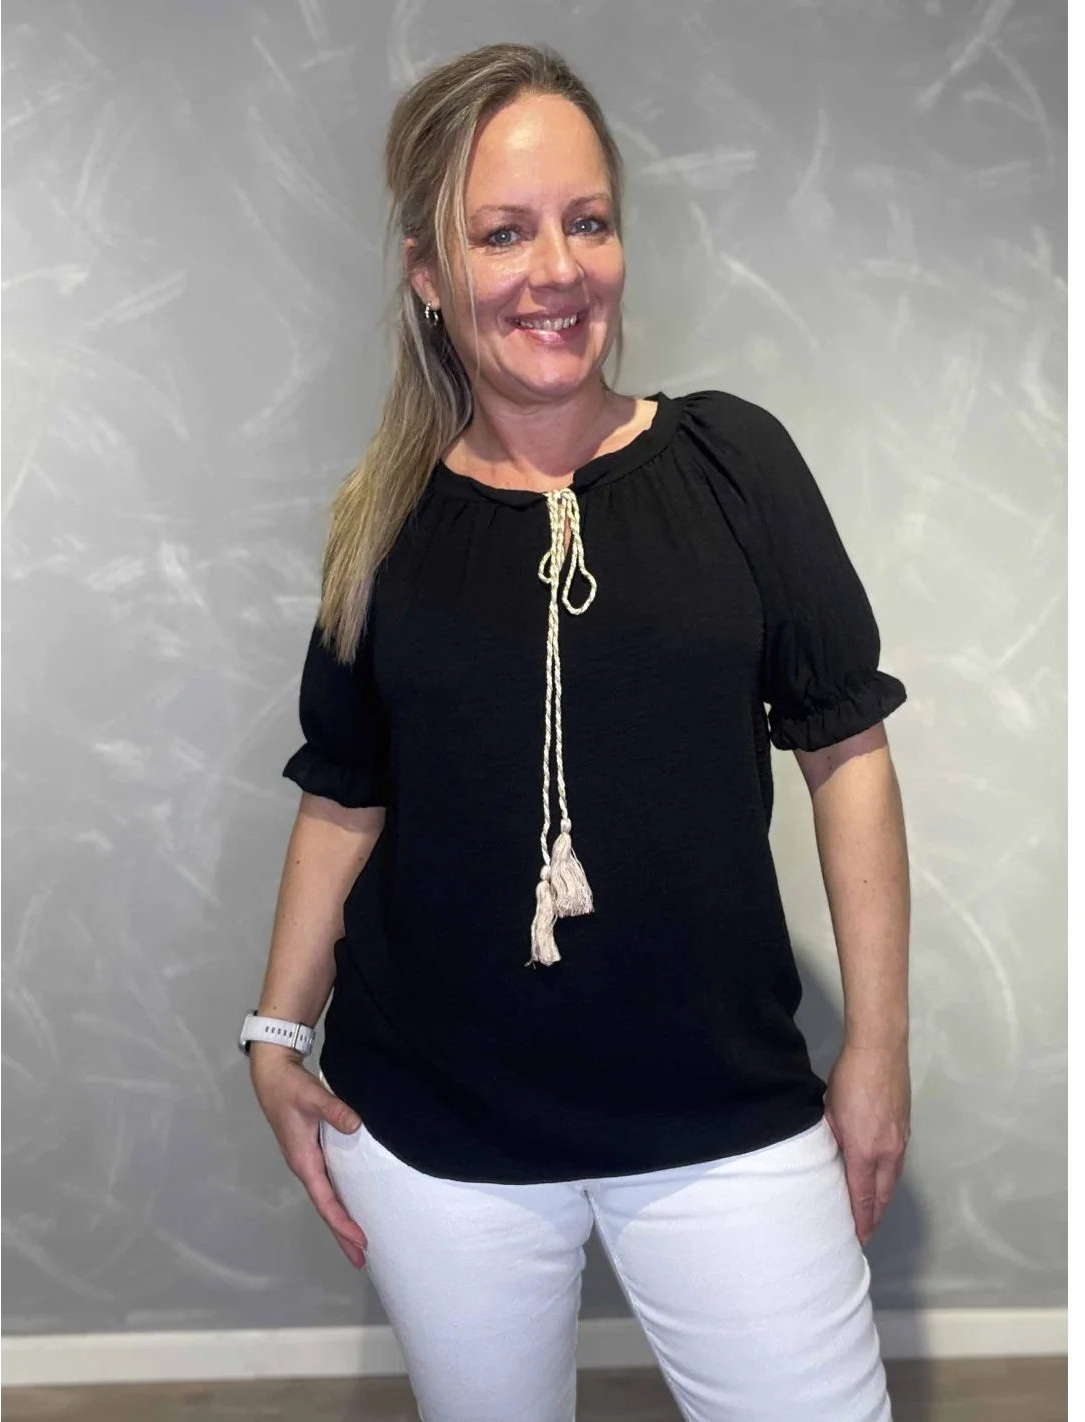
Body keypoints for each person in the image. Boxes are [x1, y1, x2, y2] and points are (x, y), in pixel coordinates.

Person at [242, 41, 911, 1422]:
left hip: (723, 1113)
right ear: (429, 273)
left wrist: (878, 1048)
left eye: (587, 222)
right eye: (503, 233)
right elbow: (346, 789)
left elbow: (846, 752)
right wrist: (274, 1030)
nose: (557, 270)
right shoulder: (382, 524)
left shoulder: (735, 463)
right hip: (436, 1135)